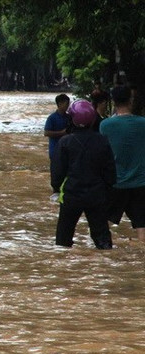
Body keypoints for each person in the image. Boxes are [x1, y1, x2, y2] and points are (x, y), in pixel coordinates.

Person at [51, 99, 116, 249]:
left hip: (71, 194)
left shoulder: (65, 142)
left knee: (63, 239)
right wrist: (106, 191)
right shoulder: (102, 141)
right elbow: (110, 172)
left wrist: (56, 188)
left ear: (72, 118)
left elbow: (57, 172)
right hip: (96, 195)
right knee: (103, 240)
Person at [100, 85, 145, 241]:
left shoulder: (105, 125)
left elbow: (102, 155)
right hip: (140, 183)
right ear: (131, 100)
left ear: (113, 100)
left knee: (102, 225)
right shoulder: (142, 123)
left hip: (115, 183)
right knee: (142, 227)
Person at [44, 93, 71, 164]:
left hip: (67, 150)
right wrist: (62, 133)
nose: (68, 106)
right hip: (55, 150)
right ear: (60, 104)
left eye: (68, 104)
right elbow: (46, 133)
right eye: (66, 104)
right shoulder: (52, 118)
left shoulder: (69, 117)